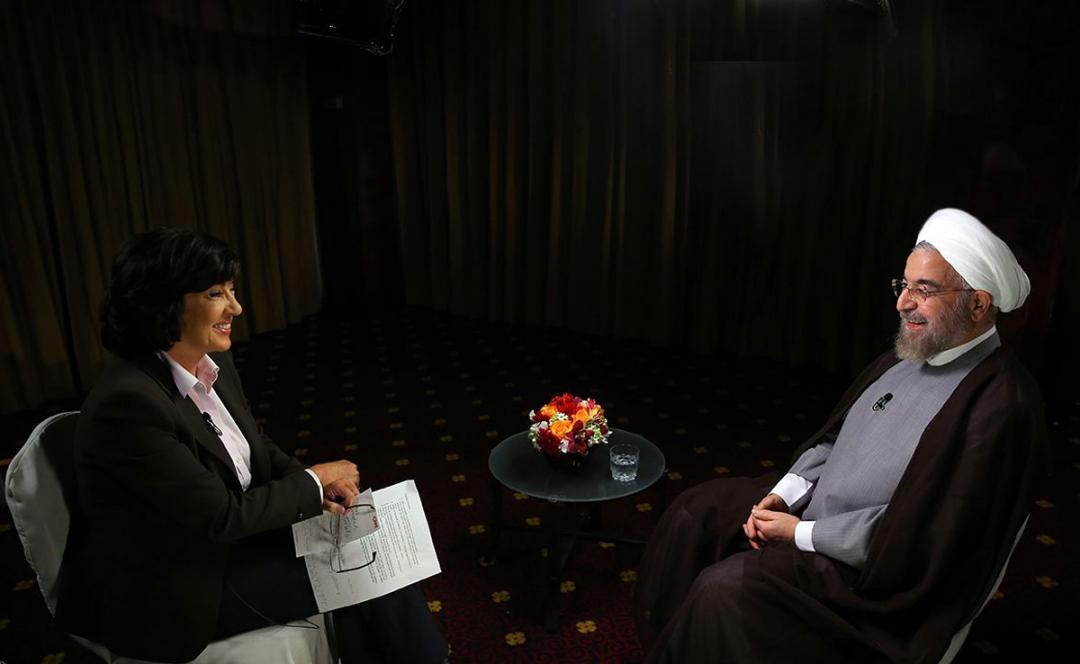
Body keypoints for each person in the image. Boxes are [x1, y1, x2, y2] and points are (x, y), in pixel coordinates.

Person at [634, 208, 1046, 663]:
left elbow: (926, 536)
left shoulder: (1000, 407)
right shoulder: (911, 354)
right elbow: (834, 441)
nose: (903, 303)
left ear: (978, 305)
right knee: (694, 513)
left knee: (725, 590)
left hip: (868, 574)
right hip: (812, 511)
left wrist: (801, 533)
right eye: (904, 285)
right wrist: (784, 495)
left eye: (924, 290)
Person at [55, 228, 448, 664]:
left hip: (232, 546)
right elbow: (221, 516)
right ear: (163, 304)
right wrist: (311, 482)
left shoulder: (211, 359)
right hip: (177, 587)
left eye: (232, 289)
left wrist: (316, 488)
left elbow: (252, 445)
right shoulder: (129, 405)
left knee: (373, 548)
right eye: (215, 293)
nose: (236, 307)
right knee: (373, 568)